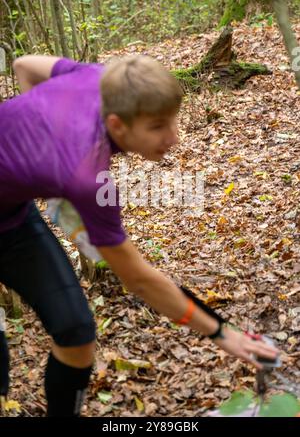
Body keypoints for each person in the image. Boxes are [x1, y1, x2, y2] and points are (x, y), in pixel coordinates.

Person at [0, 55, 279, 417]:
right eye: (157, 126)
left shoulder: (107, 80)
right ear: (117, 124)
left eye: (173, 120)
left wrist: (39, 159)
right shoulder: (86, 175)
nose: (173, 137)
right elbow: (138, 279)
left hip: (12, 216)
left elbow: (25, 66)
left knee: (77, 332)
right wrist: (223, 334)